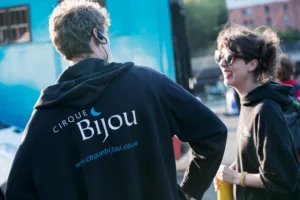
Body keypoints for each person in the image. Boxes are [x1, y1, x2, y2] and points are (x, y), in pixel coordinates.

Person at [5, 1, 227, 200]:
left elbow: (18, 190)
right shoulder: (148, 83)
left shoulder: (47, 114)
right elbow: (212, 133)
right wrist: (188, 191)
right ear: (98, 35)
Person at [213, 23, 300, 200]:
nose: (222, 63)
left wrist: (237, 178)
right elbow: (259, 155)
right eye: (219, 56)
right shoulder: (249, 103)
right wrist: (234, 169)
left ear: (252, 64)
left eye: (229, 57)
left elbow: (283, 179)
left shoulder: (265, 110)